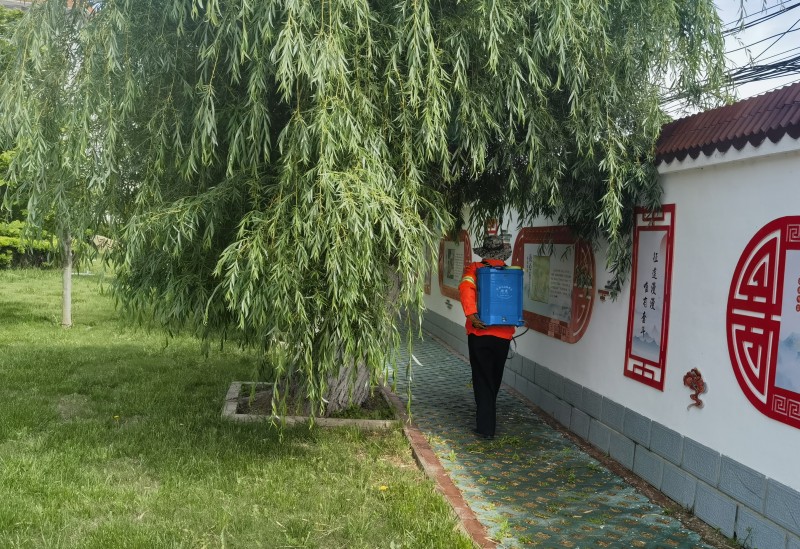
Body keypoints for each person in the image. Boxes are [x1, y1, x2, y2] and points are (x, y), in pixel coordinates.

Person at [458, 232, 516, 439]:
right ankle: (487, 419)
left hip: (480, 332)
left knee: (482, 378)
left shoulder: (475, 269)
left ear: (484, 253)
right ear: (502, 254)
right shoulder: (511, 273)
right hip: (503, 335)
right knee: (494, 378)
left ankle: (485, 428)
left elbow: (466, 288)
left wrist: (471, 315)